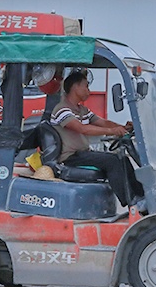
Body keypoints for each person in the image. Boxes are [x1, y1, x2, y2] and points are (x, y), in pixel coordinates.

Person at [51, 70, 145, 208]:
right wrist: (112, 131)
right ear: (76, 87)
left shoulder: (82, 110)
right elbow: (83, 129)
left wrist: (123, 128)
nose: (89, 90)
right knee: (112, 161)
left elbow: (103, 122)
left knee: (123, 159)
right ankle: (131, 201)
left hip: (83, 153)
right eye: (86, 86)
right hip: (70, 157)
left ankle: (142, 196)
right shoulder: (62, 110)